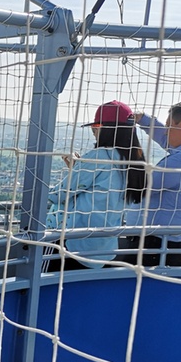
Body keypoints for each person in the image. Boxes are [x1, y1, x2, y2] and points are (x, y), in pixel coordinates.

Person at [46, 100, 146, 270]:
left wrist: (77, 170)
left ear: (106, 129)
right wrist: (79, 168)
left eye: (96, 126)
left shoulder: (98, 156)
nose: (94, 132)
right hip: (106, 249)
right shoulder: (134, 161)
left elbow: (59, 194)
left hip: (74, 247)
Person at [125, 101, 181, 266]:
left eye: (169, 125)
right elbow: (165, 139)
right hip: (168, 245)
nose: (165, 131)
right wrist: (142, 119)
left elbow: (140, 186)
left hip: (154, 249)